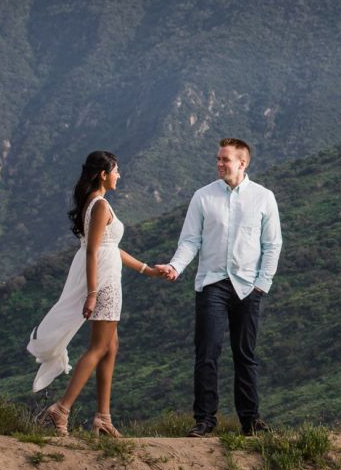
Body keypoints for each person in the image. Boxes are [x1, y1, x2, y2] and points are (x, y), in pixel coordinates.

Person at [27, 150, 164, 436]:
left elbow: (108, 247)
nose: (119, 175)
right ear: (103, 174)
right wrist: (92, 292)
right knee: (99, 347)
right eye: (116, 170)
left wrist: (146, 269)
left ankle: (103, 416)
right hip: (104, 282)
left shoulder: (94, 204)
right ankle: (61, 409)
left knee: (111, 346)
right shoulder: (100, 205)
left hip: (106, 276)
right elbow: (92, 251)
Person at [159, 138, 282, 437]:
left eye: (224, 160)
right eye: (218, 159)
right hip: (211, 283)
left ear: (243, 162)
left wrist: (261, 285)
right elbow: (190, 240)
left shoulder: (264, 198)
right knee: (207, 353)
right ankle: (204, 420)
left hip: (248, 287)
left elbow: (272, 244)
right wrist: (176, 266)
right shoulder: (202, 197)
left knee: (245, 354)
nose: (219, 164)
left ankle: (251, 421)